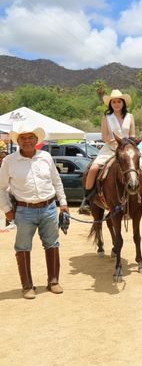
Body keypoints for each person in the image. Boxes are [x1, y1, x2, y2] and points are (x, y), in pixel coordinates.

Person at [0, 123, 69, 299]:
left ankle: (53, 281)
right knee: (23, 247)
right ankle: (27, 286)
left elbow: (56, 180)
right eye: (23, 138)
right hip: (24, 210)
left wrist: (63, 203)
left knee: (52, 244)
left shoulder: (46, 157)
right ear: (18, 141)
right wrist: (7, 209)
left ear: (36, 140)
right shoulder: (9, 161)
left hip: (49, 208)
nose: (27, 141)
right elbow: (1, 187)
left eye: (31, 137)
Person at [82, 89, 142, 215]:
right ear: (110, 104)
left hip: (127, 149)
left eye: (119, 101)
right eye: (113, 102)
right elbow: (104, 136)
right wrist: (114, 143)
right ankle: (87, 200)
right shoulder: (106, 117)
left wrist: (128, 144)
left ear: (123, 103)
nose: (116, 104)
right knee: (93, 169)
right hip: (110, 147)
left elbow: (132, 134)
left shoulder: (130, 116)